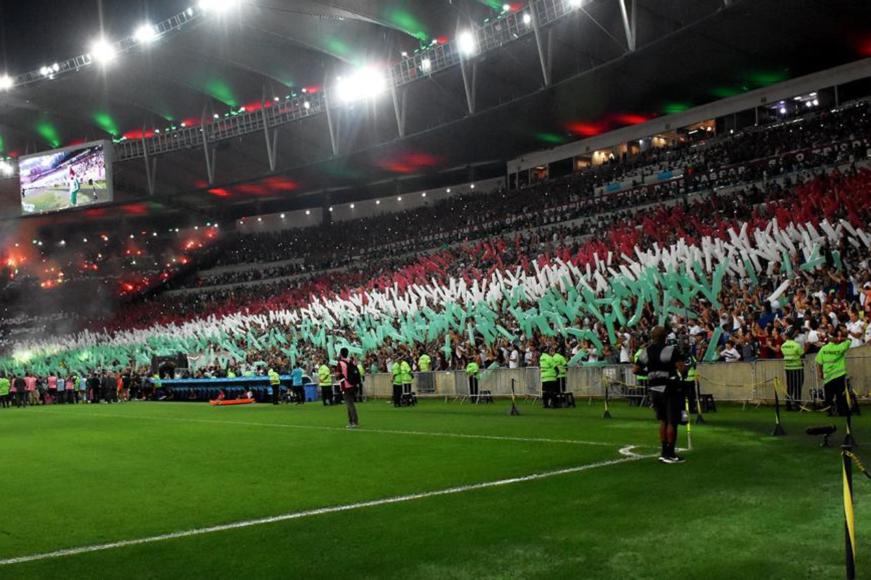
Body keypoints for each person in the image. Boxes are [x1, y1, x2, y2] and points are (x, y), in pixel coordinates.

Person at [635, 326, 686, 464]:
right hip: (668, 387)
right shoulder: (671, 350)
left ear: (652, 337)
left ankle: (663, 451)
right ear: (665, 336)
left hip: (653, 388)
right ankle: (670, 453)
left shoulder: (646, 351)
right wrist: (682, 376)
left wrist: (650, 374)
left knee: (662, 420)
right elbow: (681, 367)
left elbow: (635, 369)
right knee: (672, 421)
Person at [815, 329, 852, 416]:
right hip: (839, 375)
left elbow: (819, 362)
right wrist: (841, 338)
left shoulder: (823, 349)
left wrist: (820, 373)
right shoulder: (841, 347)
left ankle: (830, 412)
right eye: (837, 336)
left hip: (828, 376)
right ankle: (842, 412)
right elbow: (849, 340)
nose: (839, 338)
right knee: (841, 395)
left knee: (829, 396)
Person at [780, 329, 805, 411]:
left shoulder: (783, 345)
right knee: (798, 386)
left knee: (790, 387)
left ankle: (788, 405)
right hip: (797, 367)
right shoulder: (797, 345)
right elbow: (802, 354)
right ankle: (797, 404)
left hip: (788, 368)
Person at [337, 348, 360, 428]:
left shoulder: (340, 363)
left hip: (345, 385)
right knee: (349, 404)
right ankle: (351, 421)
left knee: (350, 404)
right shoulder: (350, 361)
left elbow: (338, 374)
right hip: (352, 384)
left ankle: (354, 421)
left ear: (341, 353)